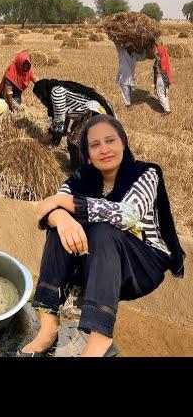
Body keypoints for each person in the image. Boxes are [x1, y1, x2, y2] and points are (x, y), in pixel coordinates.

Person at [18, 115, 185, 357]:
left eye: (110, 141)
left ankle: (100, 338)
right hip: (96, 265)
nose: (104, 149)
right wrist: (62, 218)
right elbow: (45, 210)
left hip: (141, 264)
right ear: (87, 153)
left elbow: (127, 214)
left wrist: (64, 202)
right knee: (59, 229)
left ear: (123, 143)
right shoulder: (80, 178)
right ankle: (48, 328)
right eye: (95, 145)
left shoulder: (145, 174)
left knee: (104, 230)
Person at [32, 79, 115, 170]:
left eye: (39, 96)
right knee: (78, 136)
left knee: (74, 142)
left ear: (43, 91)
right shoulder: (58, 88)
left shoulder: (56, 92)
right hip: (89, 112)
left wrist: (48, 135)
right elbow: (63, 118)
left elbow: (59, 118)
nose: (41, 100)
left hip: (93, 112)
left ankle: (79, 174)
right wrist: (56, 138)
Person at [115, 43, 147, 107]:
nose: (132, 48)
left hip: (130, 77)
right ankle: (128, 105)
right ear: (127, 47)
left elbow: (142, 57)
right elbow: (117, 44)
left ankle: (128, 102)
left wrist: (145, 50)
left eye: (133, 47)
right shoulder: (122, 52)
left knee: (131, 91)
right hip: (123, 77)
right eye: (130, 47)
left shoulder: (134, 55)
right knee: (125, 91)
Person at [154, 42, 173, 115]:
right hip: (166, 78)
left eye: (158, 51)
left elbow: (158, 65)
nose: (157, 52)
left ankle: (167, 110)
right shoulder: (166, 57)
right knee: (165, 94)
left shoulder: (160, 60)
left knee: (160, 94)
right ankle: (167, 108)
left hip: (160, 79)